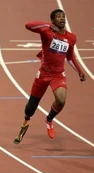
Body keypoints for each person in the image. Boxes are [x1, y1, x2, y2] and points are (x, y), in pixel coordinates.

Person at [14, 9, 86, 144]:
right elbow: (28, 25)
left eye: (63, 16)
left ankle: (49, 120)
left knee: (61, 100)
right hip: (43, 74)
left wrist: (79, 71)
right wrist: (47, 26)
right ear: (53, 21)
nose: (62, 19)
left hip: (58, 75)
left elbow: (70, 56)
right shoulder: (47, 32)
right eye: (58, 17)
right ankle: (25, 124)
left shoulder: (71, 38)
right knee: (31, 107)